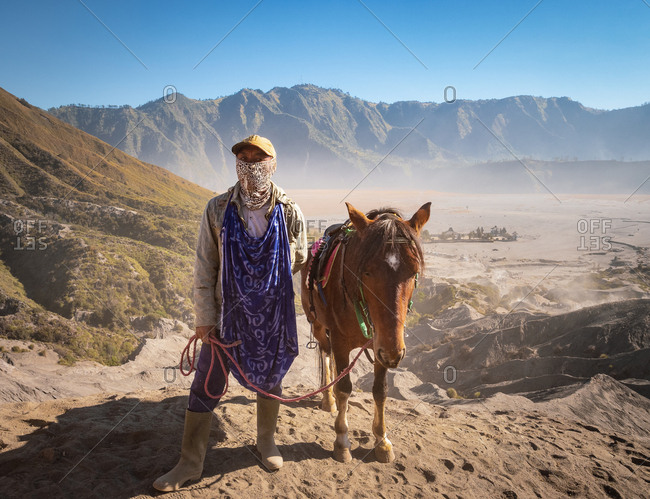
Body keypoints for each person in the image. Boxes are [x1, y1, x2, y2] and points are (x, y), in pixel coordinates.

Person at [153, 135, 308, 492]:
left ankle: (265, 443)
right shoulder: (219, 208)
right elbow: (205, 267)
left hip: (270, 317)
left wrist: (264, 280)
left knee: (269, 379)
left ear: (272, 163)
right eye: (244, 157)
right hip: (226, 316)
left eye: (258, 158)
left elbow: (297, 258)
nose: (250, 164)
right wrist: (205, 318)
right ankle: (190, 462)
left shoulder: (289, 211)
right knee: (207, 382)